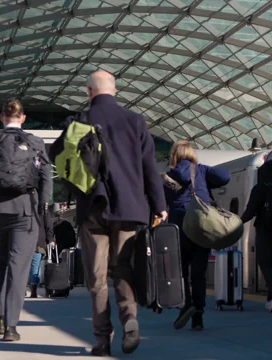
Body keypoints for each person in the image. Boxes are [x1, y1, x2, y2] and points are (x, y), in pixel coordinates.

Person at [73, 70, 167, 356]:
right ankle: (130, 320)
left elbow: (62, 162)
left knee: (97, 278)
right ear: (115, 91)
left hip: (93, 208)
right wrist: (159, 205)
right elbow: (150, 167)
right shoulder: (135, 121)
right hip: (129, 208)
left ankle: (102, 340)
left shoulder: (79, 122)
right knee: (123, 268)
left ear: (89, 92)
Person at [0, 98, 52, 342]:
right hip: (25, 211)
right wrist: (43, 207)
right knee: (18, 268)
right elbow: (46, 178)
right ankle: (11, 325)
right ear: (23, 118)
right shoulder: (36, 143)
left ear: (2, 117)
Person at [162, 140, 230, 331]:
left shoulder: (168, 177)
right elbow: (225, 177)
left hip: (180, 229)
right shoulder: (201, 170)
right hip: (201, 227)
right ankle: (198, 316)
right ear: (191, 154)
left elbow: (163, 202)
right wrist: (202, 170)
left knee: (181, 272)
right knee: (198, 274)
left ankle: (186, 306)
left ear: (174, 156)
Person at [240, 160, 272, 313]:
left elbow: (250, 212)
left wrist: (238, 222)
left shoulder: (260, 189)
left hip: (265, 230)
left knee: (263, 261)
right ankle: (271, 299)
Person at [28, 206, 55, 298]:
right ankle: (33, 290)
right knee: (35, 266)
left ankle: (22, 288)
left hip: (23, 241)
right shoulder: (43, 208)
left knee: (23, 266)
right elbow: (48, 225)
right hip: (38, 241)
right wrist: (50, 239)